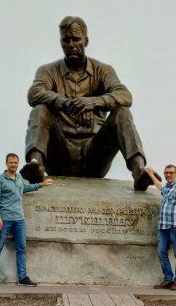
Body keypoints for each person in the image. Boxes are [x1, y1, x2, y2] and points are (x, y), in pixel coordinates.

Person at [21, 16, 160, 190]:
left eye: (76, 39)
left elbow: (125, 95)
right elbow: (34, 94)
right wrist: (63, 102)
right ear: (61, 42)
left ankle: (139, 170)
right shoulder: (47, 71)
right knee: (39, 110)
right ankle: (36, 166)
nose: (71, 44)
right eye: (66, 40)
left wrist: (93, 102)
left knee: (122, 112)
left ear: (86, 40)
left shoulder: (103, 71)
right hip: (59, 157)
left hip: (94, 157)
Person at [0, 153, 53, 287]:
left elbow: (26, 188)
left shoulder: (19, 178)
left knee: (22, 249)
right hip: (4, 220)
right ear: (6, 164)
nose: (13, 165)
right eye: (11, 162)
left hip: (19, 220)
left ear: (18, 164)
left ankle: (22, 278)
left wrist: (42, 184)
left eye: (15, 162)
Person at [146, 165, 176, 290]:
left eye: (171, 172)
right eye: (166, 173)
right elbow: (159, 186)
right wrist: (151, 174)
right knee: (161, 252)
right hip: (163, 226)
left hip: (175, 226)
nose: (168, 175)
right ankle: (168, 279)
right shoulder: (167, 188)